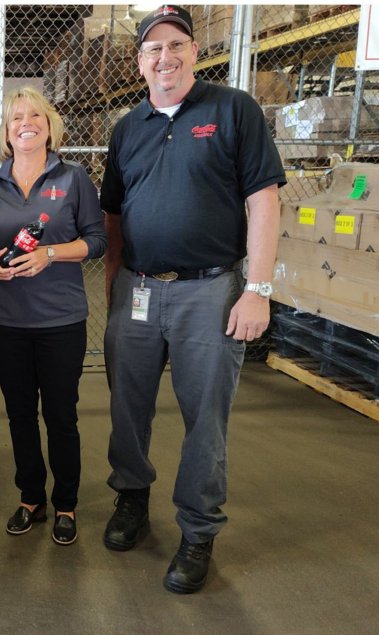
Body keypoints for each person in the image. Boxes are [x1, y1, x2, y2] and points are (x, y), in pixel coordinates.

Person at [99, 4, 285, 593]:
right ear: (140, 62)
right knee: (128, 407)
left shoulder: (234, 111)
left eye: (175, 45)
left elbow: (263, 203)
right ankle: (131, 497)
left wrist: (257, 290)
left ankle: (198, 529)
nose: (165, 57)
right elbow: (113, 216)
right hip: (138, 288)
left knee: (206, 417)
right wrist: (113, 284)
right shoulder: (128, 127)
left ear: (194, 53)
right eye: (153, 49)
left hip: (210, 289)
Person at [0, 86, 107, 545]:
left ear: (49, 126)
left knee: (61, 416)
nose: (25, 123)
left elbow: (97, 240)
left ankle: (66, 503)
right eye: (15, 118)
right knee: (19, 415)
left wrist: (51, 254)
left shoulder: (73, 178)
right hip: (7, 319)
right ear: (5, 133)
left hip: (60, 320)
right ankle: (31, 498)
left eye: (35, 116)